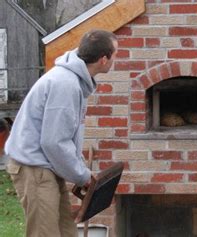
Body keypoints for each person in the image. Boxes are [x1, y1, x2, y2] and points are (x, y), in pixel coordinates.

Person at [5, 29, 118, 237]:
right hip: (34, 167)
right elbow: (54, 142)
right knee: (45, 234)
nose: (115, 60)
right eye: (115, 54)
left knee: (66, 232)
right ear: (103, 59)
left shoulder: (74, 81)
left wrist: (80, 167)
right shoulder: (65, 84)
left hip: (47, 166)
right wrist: (83, 176)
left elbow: (63, 136)